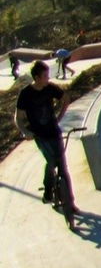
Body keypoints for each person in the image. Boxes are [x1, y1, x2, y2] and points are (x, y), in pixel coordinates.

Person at [14, 60, 75, 219]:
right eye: (45, 76)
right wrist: (25, 131)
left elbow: (66, 98)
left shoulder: (50, 88)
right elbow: (18, 118)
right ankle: (48, 191)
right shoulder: (26, 94)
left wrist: (60, 115)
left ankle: (71, 203)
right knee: (51, 162)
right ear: (36, 78)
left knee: (63, 167)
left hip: (54, 131)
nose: (48, 78)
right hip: (39, 135)